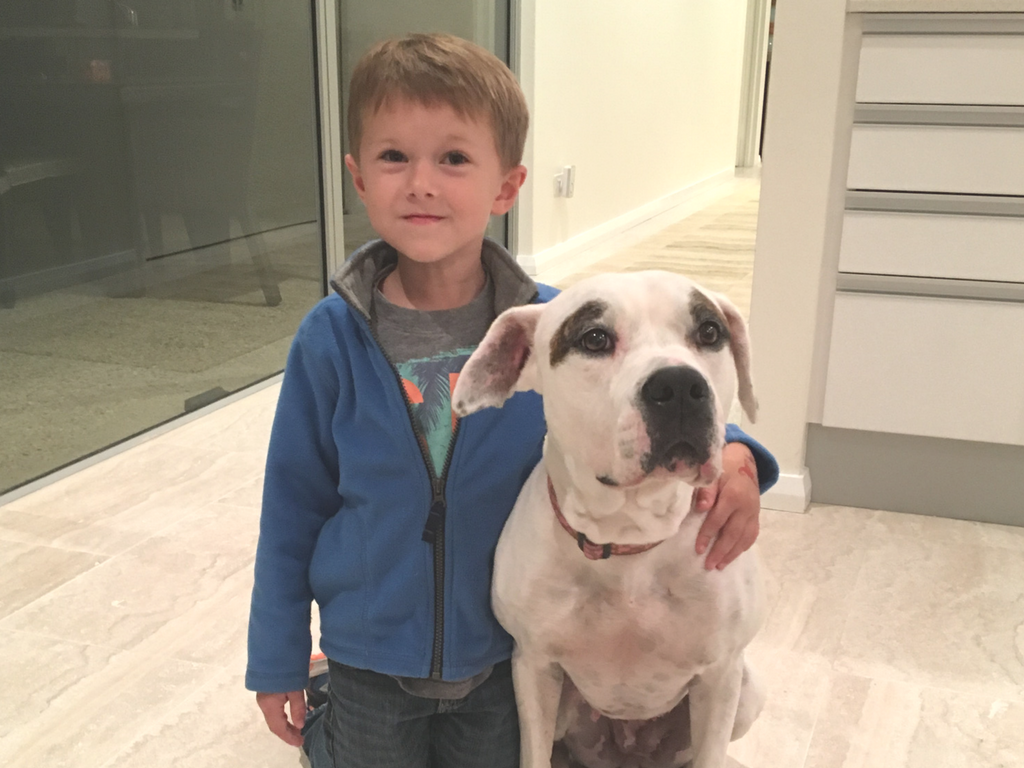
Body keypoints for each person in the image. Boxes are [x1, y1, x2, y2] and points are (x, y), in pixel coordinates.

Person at [245, 32, 779, 768]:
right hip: (370, 646)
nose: (422, 183)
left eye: (454, 158)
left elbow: (652, 383)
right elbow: (291, 505)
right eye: (394, 156)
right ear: (358, 179)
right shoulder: (332, 338)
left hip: (493, 652)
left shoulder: (564, 330)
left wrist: (741, 457)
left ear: (506, 187)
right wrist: (274, 654)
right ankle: (327, 708)